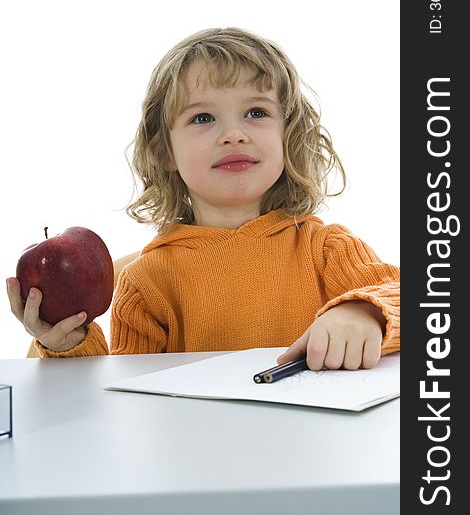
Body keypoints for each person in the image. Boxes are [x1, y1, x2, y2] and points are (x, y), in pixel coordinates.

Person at [6, 27, 399, 370]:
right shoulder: (147, 282)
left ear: (287, 136)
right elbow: (122, 397)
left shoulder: (326, 248)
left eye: (256, 112)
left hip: (316, 448)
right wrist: (70, 343)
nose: (233, 134)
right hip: (195, 453)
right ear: (164, 152)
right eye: (203, 118)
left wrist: (363, 311)